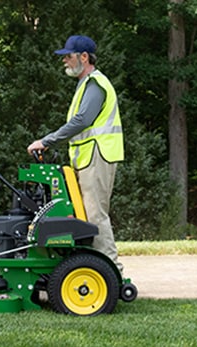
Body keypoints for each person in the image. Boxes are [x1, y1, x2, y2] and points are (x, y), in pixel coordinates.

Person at [27, 35, 124, 270]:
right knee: (84, 215)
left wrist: (47, 141)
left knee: (95, 216)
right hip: (88, 158)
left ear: (84, 57)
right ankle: (90, 269)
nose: (64, 61)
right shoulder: (85, 84)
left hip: (98, 156)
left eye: (68, 56)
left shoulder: (95, 84)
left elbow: (82, 120)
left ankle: (111, 274)